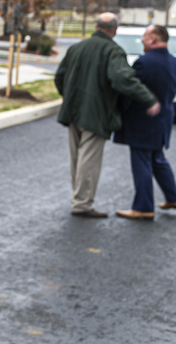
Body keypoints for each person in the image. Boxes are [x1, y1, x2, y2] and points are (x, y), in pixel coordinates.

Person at [54, 12, 159, 217]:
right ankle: (82, 204)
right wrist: (149, 99)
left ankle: (78, 198)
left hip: (73, 110)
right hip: (97, 113)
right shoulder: (113, 51)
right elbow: (123, 80)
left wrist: (68, 96)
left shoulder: (77, 48)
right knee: (88, 160)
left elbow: (60, 77)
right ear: (115, 30)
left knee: (76, 158)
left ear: (95, 26)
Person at [112, 25, 176, 220]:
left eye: (145, 36)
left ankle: (143, 207)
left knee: (142, 161)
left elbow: (132, 92)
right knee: (157, 159)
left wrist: (119, 112)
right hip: (164, 120)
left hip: (142, 120)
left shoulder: (143, 63)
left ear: (153, 38)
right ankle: (173, 197)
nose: (142, 40)